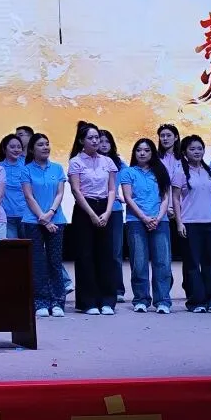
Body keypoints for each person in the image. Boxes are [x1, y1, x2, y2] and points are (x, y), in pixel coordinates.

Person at [67, 122, 119, 315]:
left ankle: (107, 301)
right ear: (82, 141)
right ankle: (88, 302)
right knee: (85, 255)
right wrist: (91, 214)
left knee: (106, 255)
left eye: (97, 137)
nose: (96, 141)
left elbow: (112, 189)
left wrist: (107, 212)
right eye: (91, 138)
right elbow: (76, 190)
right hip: (84, 209)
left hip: (105, 207)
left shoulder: (107, 161)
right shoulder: (76, 162)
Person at [119, 138, 172, 314]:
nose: (142, 153)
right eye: (139, 150)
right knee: (139, 262)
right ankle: (141, 300)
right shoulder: (128, 172)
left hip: (160, 221)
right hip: (136, 221)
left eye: (147, 150)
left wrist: (157, 218)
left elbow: (165, 198)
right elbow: (128, 198)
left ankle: (163, 300)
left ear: (152, 153)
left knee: (162, 262)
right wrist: (144, 218)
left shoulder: (161, 171)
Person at [176, 135, 211, 313]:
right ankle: (196, 302)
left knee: (210, 263)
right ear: (184, 152)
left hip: (210, 222)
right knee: (192, 264)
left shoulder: (209, 171)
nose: (197, 152)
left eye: (200, 148)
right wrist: (179, 222)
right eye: (192, 149)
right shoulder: (180, 172)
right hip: (190, 222)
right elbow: (175, 199)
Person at [20, 133, 67, 317]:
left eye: (47, 144)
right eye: (40, 144)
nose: (45, 147)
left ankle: (57, 302)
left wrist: (50, 214)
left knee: (55, 262)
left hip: (56, 219)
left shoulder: (57, 168)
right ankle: (40, 302)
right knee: (38, 262)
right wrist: (42, 218)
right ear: (32, 149)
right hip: (33, 221)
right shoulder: (27, 170)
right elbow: (29, 196)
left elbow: (60, 193)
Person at [97, 129, 127, 302]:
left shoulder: (119, 163)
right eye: (100, 141)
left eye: (107, 141)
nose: (103, 144)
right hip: (96, 209)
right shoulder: (91, 161)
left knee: (116, 252)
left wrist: (124, 196)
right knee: (99, 250)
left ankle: (117, 289)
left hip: (114, 210)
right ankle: (100, 288)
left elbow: (129, 182)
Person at [0, 133, 28, 239]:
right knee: (12, 246)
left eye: (19, 147)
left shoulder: (27, 166)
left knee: (29, 246)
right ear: (4, 149)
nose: (16, 150)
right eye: (12, 147)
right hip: (6, 216)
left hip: (26, 216)